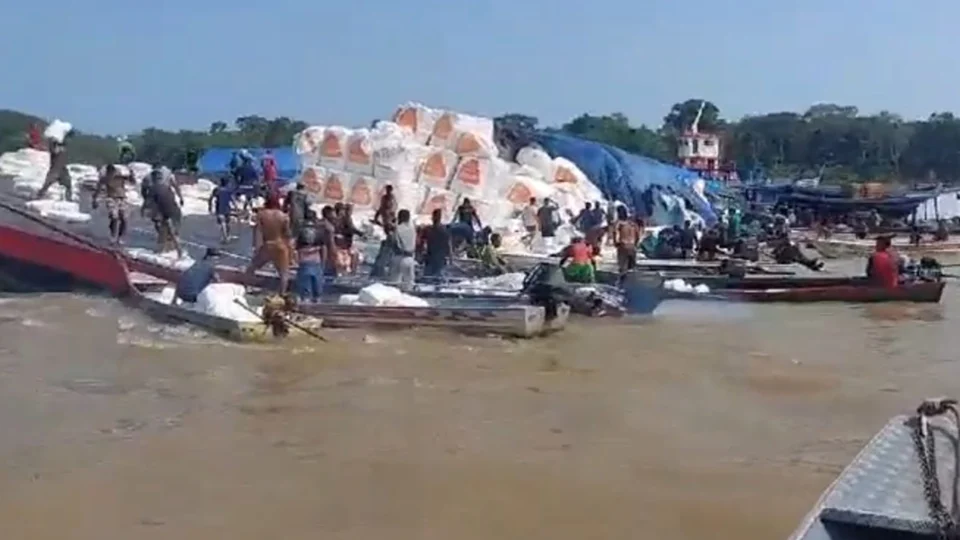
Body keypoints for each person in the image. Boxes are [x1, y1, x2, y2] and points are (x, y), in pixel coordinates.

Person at [245, 193, 292, 295]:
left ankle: (248, 288)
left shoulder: (262, 214)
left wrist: (256, 247)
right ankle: (282, 294)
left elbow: (258, 232)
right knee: (284, 273)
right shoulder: (284, 216)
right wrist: (291, 251)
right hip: (280, 246)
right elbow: (288, 235)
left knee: (251, 268)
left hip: (268, 245)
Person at [145, 167, 184, 258]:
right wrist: (181, 198)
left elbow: (149, 202)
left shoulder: (153, 188)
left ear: (153, 178)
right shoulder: (166, 187)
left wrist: (146, 211)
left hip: (167, 213)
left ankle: (175, 252)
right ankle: (169, 250)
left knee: (166, 232)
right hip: (175, 211)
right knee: (170, 232)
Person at [294, 209, 327, 303]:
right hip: (316, 262)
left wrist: (296, 261)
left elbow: (296, 248)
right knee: (317, 292)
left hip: (304, 262)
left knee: (305, 294)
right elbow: (323, 249)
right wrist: (323, 263)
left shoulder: (300, 231)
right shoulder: (319, 231)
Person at [92, 164, 129, 244]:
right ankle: (113, 235)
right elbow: (98, 189)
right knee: (114, 217)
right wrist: (95, 200)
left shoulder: (120, 177)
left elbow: (131, 180)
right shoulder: (105, 179)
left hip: (122, 198)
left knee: (124, 218)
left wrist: (131, 174)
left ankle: (120, 237)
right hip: (111, 198)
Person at [35, 133, 72, 200]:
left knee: (68, 185)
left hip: (63, 169)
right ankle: (38, 197)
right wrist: (53, 141)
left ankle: (68, 200)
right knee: (46, 185)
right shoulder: (54, 146)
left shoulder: (63, 147)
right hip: (54, 169)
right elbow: (53, 150)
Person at [420, 208, 452, 278]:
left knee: (429, 278)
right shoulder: (444, 230)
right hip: (438, 258)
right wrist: (450, 257)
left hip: (432, 257)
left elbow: (421, 243)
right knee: (436, 278)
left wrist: (420, 254)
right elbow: (449, 245)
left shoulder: (428, 230)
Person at [390, 209, 417, 290]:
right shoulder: (413, 230)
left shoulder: (397, 229)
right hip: (410, 258)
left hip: (398, 257)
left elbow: (393, 243)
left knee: (394, 283)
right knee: (409, 284)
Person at [612, 206, 640, 274]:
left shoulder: (619, 223)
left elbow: (615, 232)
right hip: (632, 246)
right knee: (632, 267)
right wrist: (635, 244)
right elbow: (638, 235)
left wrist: (615, 242)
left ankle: (622, 281)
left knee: (623, 267)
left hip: (623, 245)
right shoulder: (633, 224)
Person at [208, 177, 235, 243]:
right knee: (227, 222)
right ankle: (227, 236)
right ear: (227, 183)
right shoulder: (229, 190)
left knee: (222, 222)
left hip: (219, 208)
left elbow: (211, 198)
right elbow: (233, 199)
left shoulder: (217, 189)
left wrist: (210, 206)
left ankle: (225, 237)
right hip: (227, 208)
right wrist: (236, 208)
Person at [319, 205, 339, 277]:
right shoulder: (329, 227)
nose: (335, 216)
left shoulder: (319, 223)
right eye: (333, 214)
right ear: (328, 214)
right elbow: (331, 244)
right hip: (327, 254)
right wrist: (335, 255)